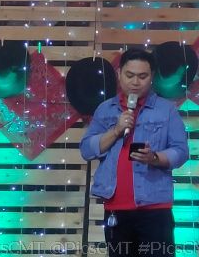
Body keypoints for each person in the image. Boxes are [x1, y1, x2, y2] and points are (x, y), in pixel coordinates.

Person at [80, 48, 189, 257]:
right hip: (116, 209)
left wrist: (154, 158)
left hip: (155, 208)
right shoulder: (105, 109)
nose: (135, 82)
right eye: (129, 75)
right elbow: (86, 149)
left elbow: (181, 151)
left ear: (152, 77)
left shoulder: (166, 110)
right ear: (119, 73)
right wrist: (116, 130)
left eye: (142, 76)